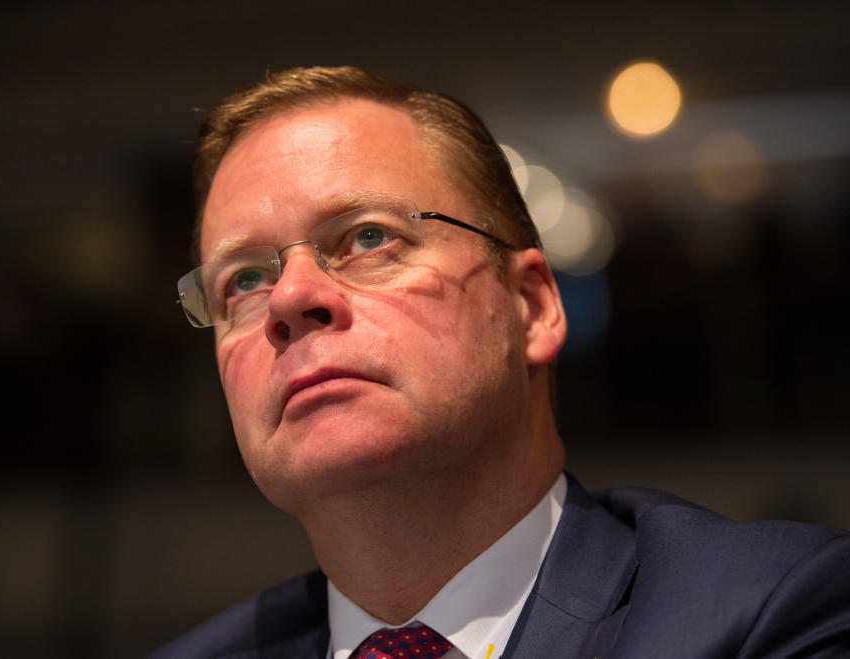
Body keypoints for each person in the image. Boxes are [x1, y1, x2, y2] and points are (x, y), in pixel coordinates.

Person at [153, 66, 850, 658]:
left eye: (368, 236)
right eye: (243, 279)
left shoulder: (774, 613)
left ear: (532, 305)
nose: (291, 297)